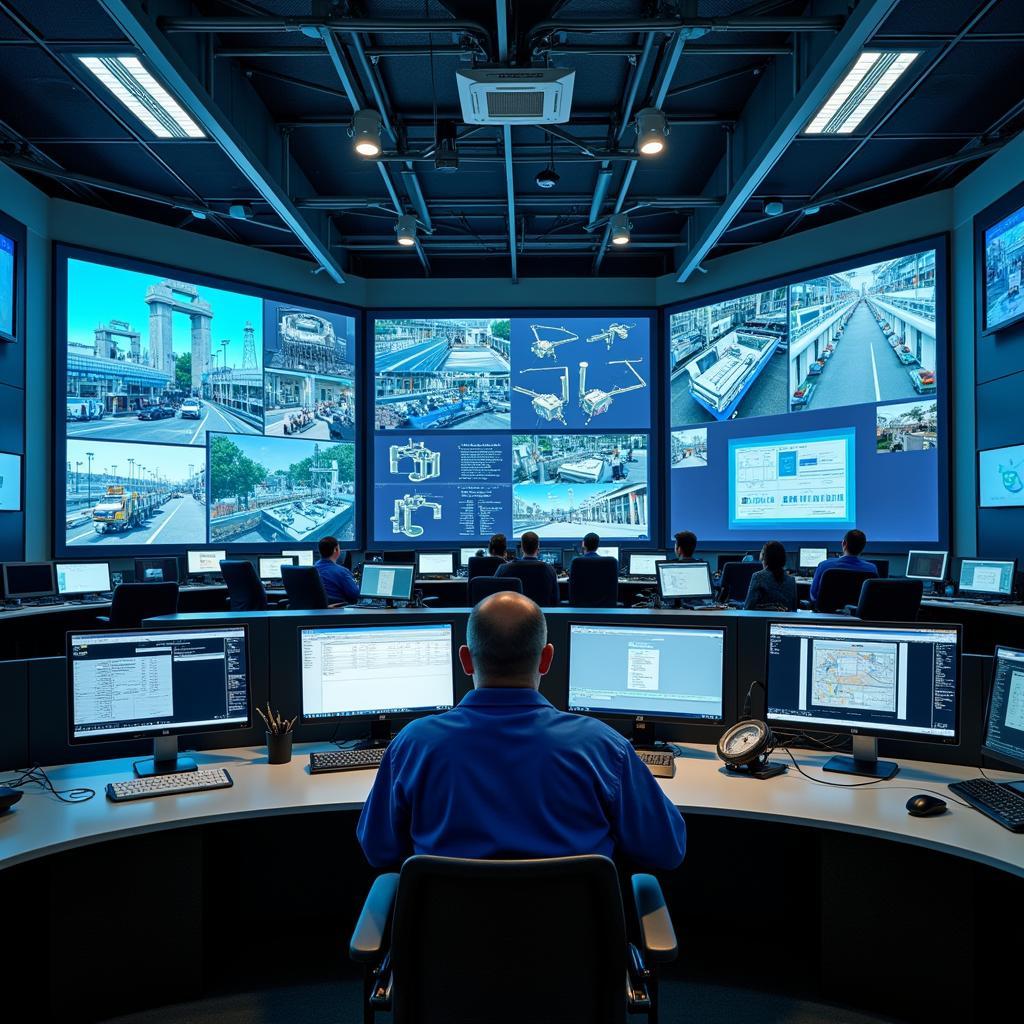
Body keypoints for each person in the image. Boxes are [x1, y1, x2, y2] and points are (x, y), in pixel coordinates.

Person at [356, 592, 686, 869]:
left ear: (466, 660)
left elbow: (378, 850)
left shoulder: (413, 745)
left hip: (445, 943)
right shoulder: (602, 747)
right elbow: (666, 849)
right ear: (546, 659)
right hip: (573, 944)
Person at [809, 529, 878, 604]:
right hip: (857, 614)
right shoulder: (871, 569)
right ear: (863, 547)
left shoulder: (824, 565)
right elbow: (872, 597)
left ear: (844, 543)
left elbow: (813, 595)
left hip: (827, 613)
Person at [495, 531, 559, 605]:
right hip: (541, 614)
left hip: (512, 614)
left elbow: (495, 598)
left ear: (522, 548)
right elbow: (555, 601)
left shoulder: (503, 568)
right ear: (538, 548)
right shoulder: (549, 570)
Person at [744, 540, 798, 611]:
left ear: (764, 559)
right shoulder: (791, 580)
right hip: (783, 621)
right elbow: (793, 609)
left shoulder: (758, 577)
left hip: (762, 621)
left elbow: (748, 607)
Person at [314, 535, 359, 605]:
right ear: (336, 550)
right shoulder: (342, 572)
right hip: (337, 611)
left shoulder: (311, 570)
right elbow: (355, 594)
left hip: (315, 612)